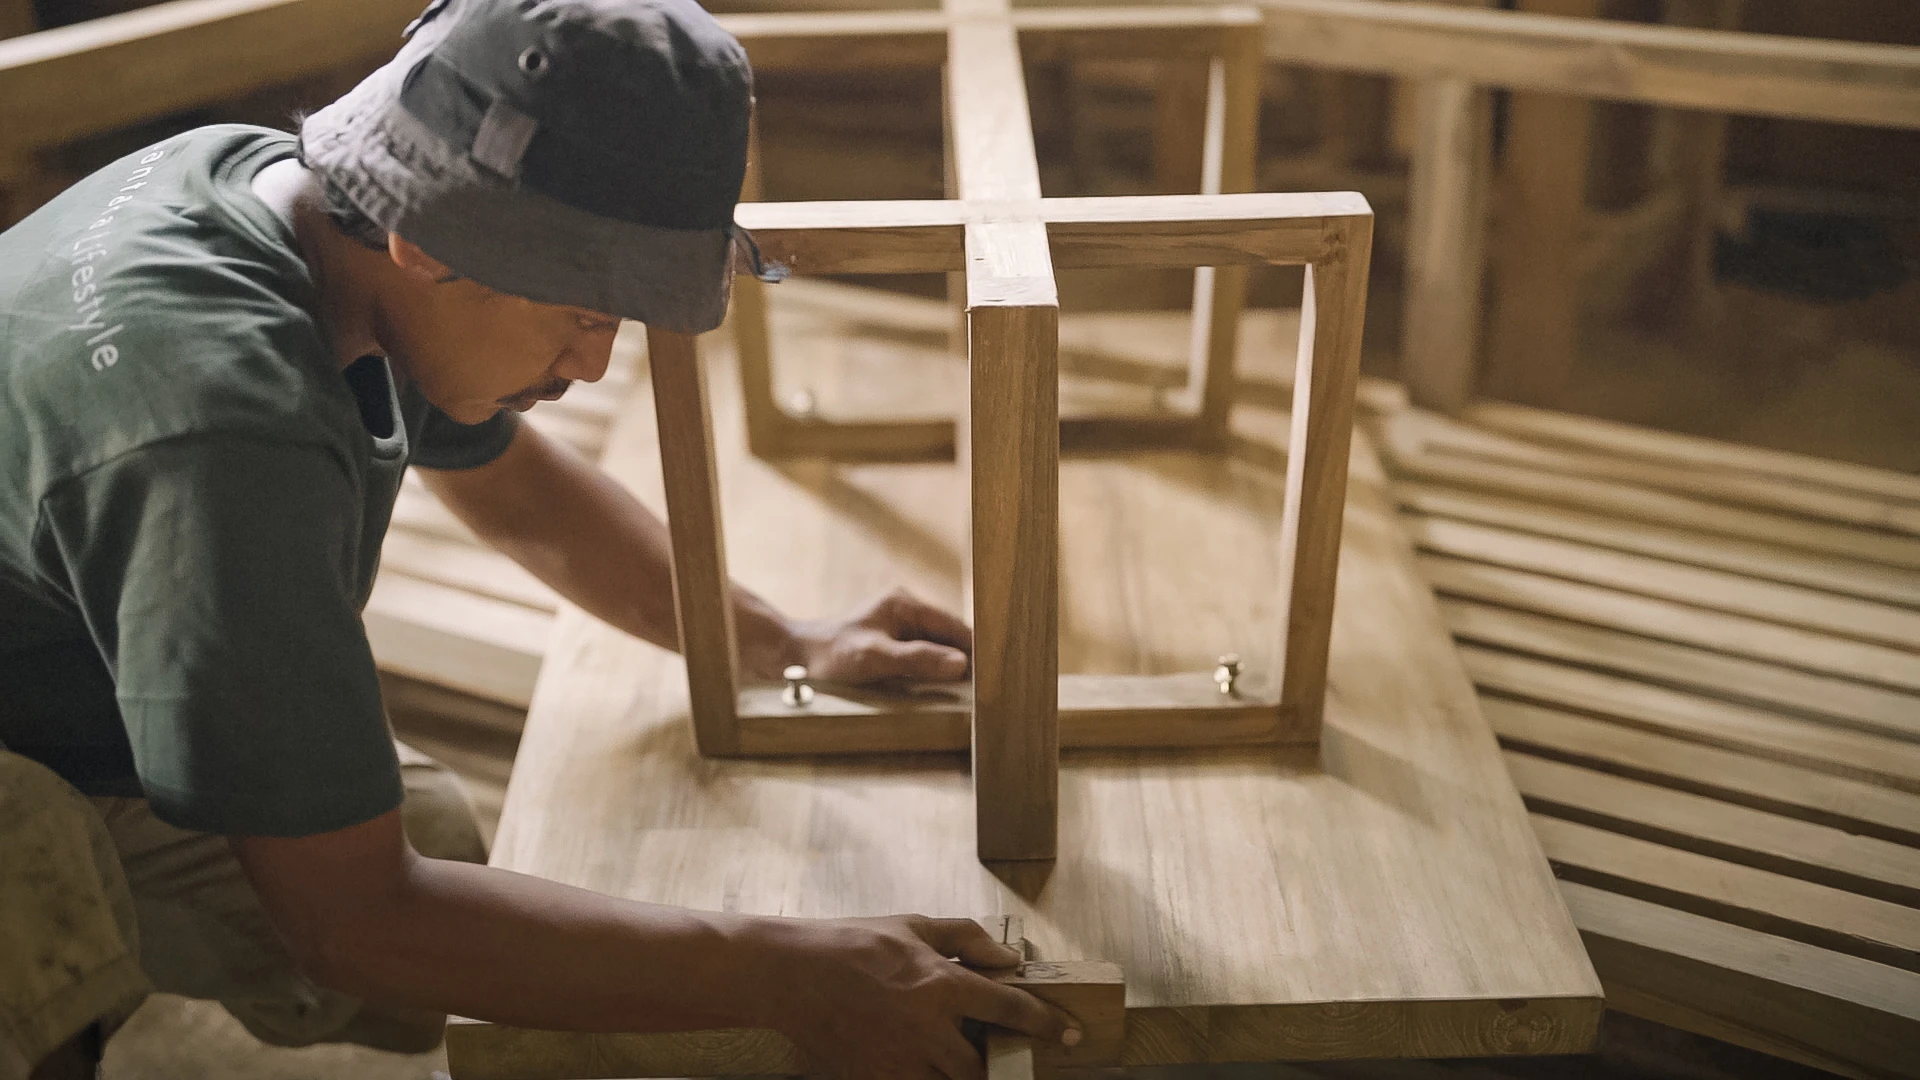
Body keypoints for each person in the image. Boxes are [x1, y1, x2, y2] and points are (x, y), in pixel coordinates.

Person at [0, 0, 1079, 1077]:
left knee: (441, 848)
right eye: (584, 312)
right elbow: (357, 922)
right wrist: (791, 973)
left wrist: (778, 642)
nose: (596, 363)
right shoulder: (221, 436)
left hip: (62, 668)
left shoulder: (308, 212)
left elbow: (511, 486)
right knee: (47, 906)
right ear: (424, 242)